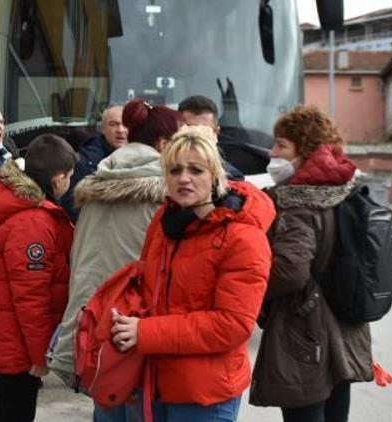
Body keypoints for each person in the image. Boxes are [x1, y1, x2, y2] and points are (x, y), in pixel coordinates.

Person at [110, 125, 275, 422]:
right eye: (174, 170)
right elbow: (147, 286)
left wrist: (144, 332)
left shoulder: (243, 238)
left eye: (196, 170)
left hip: (204, 395)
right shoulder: (165, 220)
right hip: (153, 382)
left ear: (215, 175)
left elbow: (232, 325)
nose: (183, 178)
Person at [49, 98, 181, 421]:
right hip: (138, 334)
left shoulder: (94, 188)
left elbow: (83, 266)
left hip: (95, 331)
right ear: (163, 144)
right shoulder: (167, 196)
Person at [249, 105, 374, 422]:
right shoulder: (343, 188)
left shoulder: (300, 200)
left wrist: (250, 290)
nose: (272, 151)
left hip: (304, 327)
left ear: (304, 152)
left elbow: (290, 271)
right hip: (343, 321)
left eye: (281, 145)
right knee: (335, 411)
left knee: (304, 411)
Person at [0, 134, 78, 422]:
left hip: (7, 339)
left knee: (0, 411)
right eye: (70, 176)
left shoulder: (18, 205)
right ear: (58, 178)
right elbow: (31, 298)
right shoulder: (33, 222)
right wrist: (39, 356)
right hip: (18, 347)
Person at [60, 104, 128, 221]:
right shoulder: (86, 162)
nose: (120, 130)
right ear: (102, 129)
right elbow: (71, 208)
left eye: (125, 124)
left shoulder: (140, 156)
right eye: (113, 124)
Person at [179, 95, 245, 181]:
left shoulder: (231, 178)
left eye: (204, 130)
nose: (196, 137)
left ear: (216, 133)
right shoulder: (161, 170)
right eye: (190, 129)